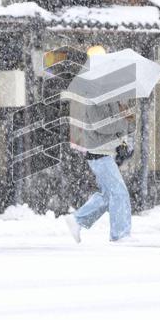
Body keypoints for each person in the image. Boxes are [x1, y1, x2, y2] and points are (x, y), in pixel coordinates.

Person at [65, 100, 134, 243]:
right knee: (119, 192)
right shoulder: (94, 100)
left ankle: (77, 220)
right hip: (99, 153)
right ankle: (120, 234)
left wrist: (126, 122)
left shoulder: (112, 98)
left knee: (109, 195)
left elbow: (123, 126)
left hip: (108, 152)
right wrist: (123, 120)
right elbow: (101, 126)